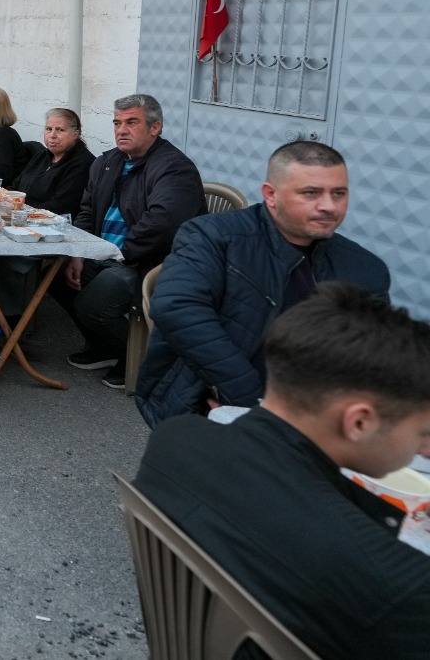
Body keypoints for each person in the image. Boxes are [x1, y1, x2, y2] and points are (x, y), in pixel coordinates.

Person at [133, 285, 430, 659]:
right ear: (359, 422)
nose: (425, 450)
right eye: (423, 432)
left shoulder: (175, 440)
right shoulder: (400, 583)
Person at [136, 141, 391, 427]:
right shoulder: (213, 236)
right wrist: (252, 399)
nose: (329, 206)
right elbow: (176, 308)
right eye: (311, 193)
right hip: (205, 403)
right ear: (271, 194)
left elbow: (373, 352)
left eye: (339, 193)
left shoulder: (365, 268)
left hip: (316, 419)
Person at [57, 94, 206, 389]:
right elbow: (86, 212)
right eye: (117, 123)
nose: (121, 130)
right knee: (54, 273)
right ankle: (105, 346)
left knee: (97, 299)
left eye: (132, 122)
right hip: (106, 252)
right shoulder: (107, 162)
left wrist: (116, 254)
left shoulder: (174, 168)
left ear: (155, 127)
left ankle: (134, 358)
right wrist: (79, 250)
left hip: (153, 261)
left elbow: (161, 227)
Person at [12, 108, 95, 216]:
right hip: (21, 214)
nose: (52, 135)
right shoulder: (42, 156)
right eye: (48, 129)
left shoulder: (82, 164)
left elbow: (57, 207)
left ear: (75, 134)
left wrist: (18, 204)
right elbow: (15, 186)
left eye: (60, 130)